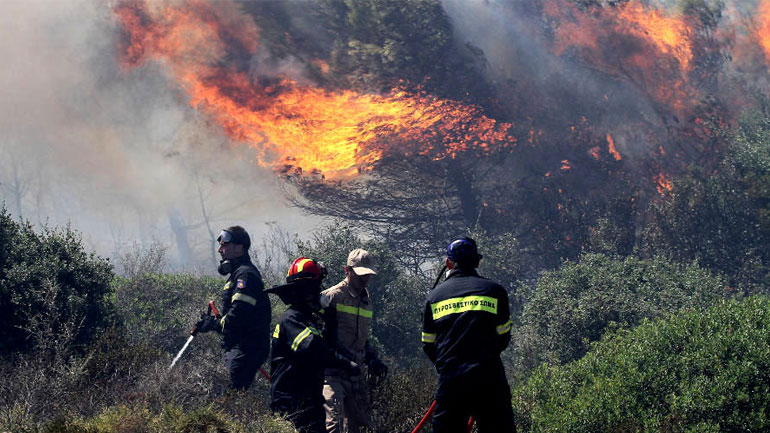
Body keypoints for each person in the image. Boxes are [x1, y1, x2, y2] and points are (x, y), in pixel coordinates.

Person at [421, 237, 515, 433]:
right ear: (477, 261)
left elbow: (429, 344)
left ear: (448, 263)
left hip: (452, 380)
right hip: (489, 378)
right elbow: (504, 337)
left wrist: (447, 366)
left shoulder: (434, 297)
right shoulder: (495, 291)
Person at [267, 257, 361, 433]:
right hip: (290, 403)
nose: (319, 292)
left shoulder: (312, 320)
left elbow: (329, 346)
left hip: (311, 401)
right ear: (305, 290)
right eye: (316, 287)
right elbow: (312, 349)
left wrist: (331, 321)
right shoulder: (291, 319)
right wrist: (345, 363)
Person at [194, 225, 271, 390]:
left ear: (239, 247)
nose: (220, 250)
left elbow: (237, 316)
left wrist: (213, 324)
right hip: (240, 346)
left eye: (224, 245)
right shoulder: (237, 274)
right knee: (225, 391)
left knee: (227, 393)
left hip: (247, 347)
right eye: (220, 245)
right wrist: (212, 321)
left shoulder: (245, 275)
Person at [321, 248, 388, 433]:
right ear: (347, 270)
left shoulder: (366, 300)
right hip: (331, 373)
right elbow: (322, 339)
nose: (365, 279)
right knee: (334, 425)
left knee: (360, 426)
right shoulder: (331, 297)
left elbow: (362, 338)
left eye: (368, 275)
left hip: (355, 374)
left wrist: (373, 358)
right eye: (360, 275)